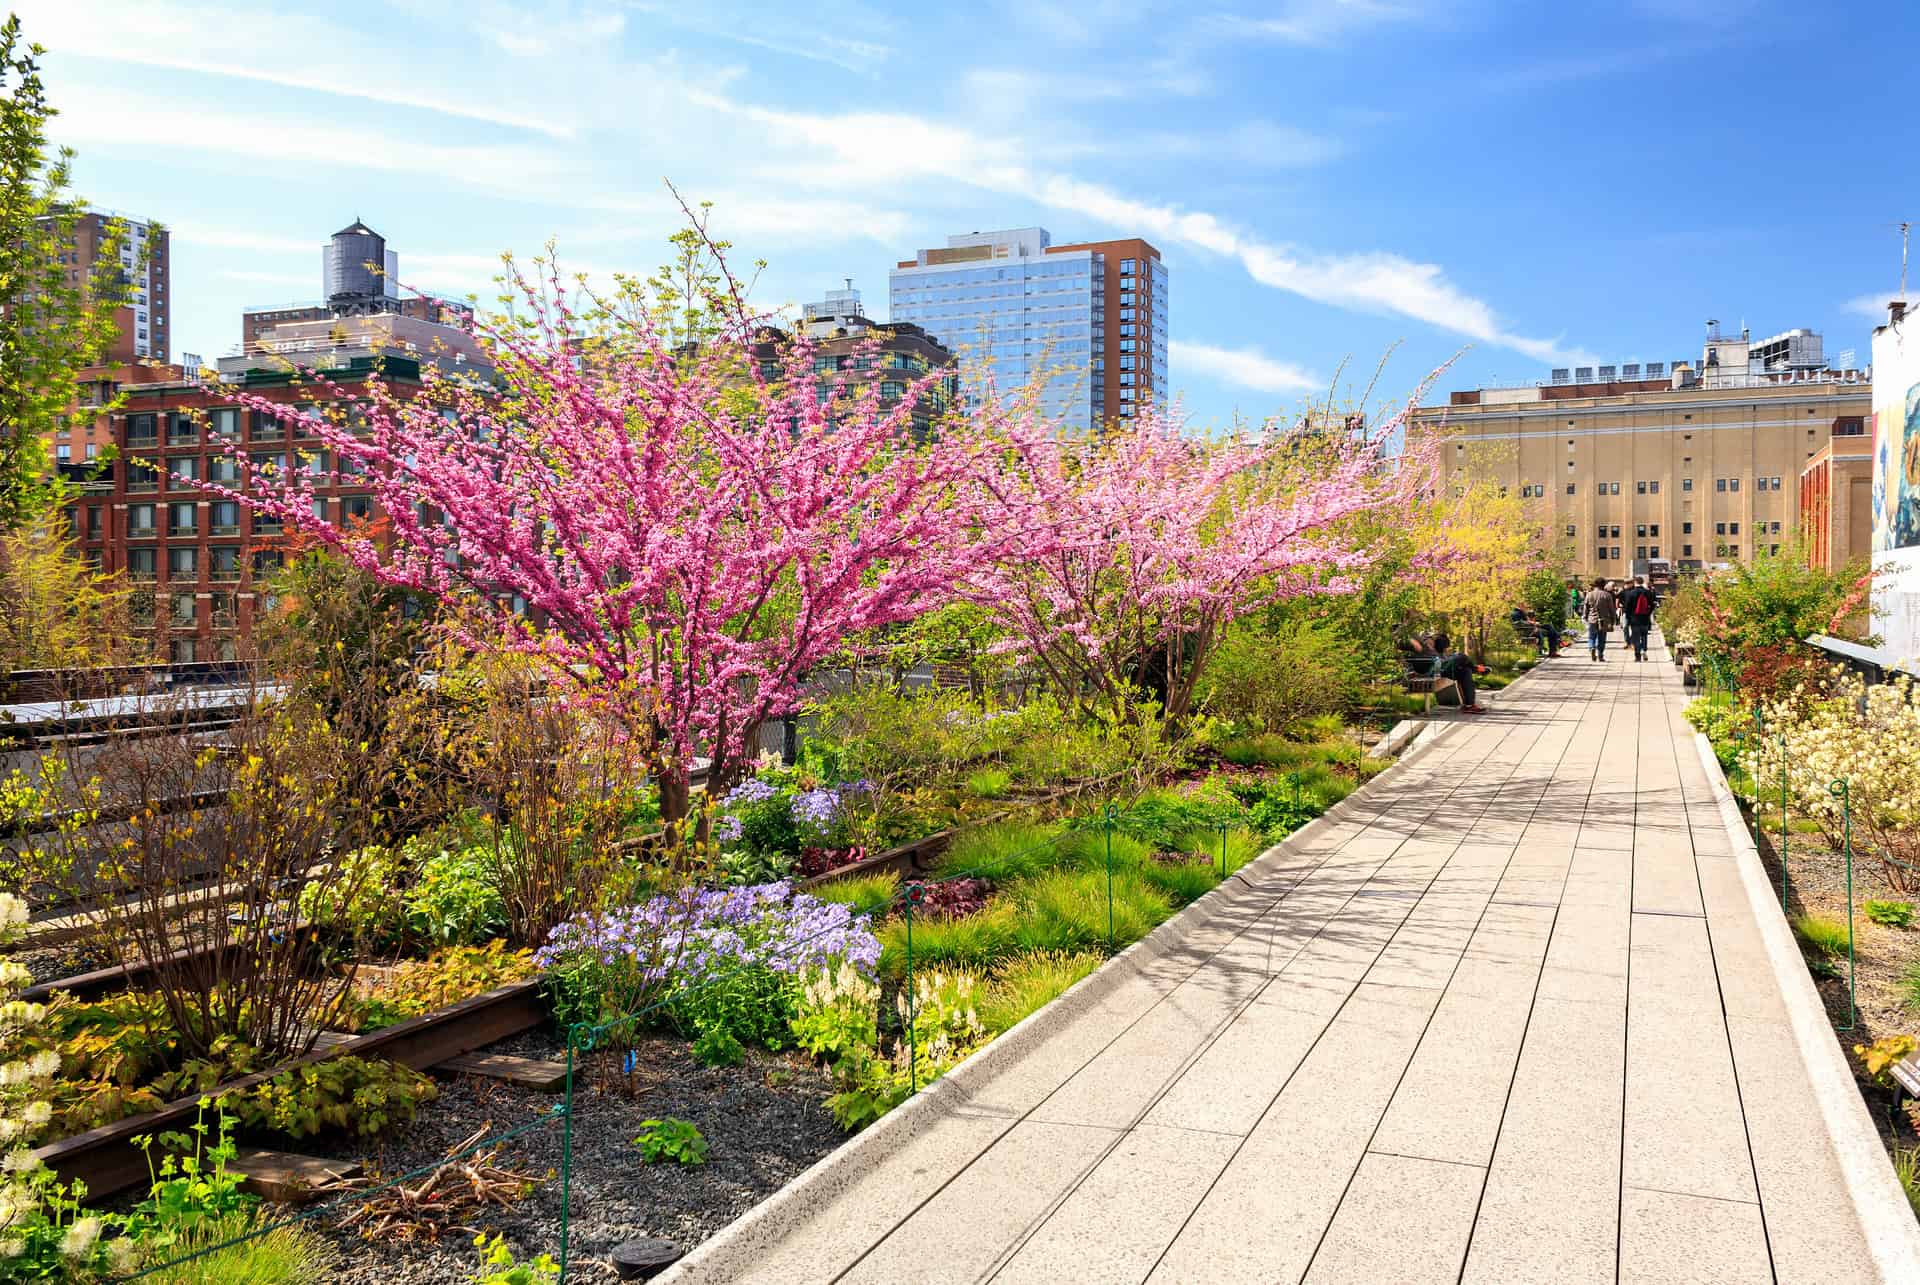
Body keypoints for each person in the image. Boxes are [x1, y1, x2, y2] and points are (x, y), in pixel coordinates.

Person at [1429, 631, 1487, 713]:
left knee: (1466, 671)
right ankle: (1477, 669)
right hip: (1439, 671)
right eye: (1445, 646)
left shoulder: (1437, 649)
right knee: (1461, 656)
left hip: (1444, 669)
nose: (1446, 648)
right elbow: (1436, 664)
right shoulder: (1428, 647)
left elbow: (1443, 658)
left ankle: (1469, 705)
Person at [1618, 575, 1657, 661]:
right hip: (1645, 619)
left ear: (1635, 582)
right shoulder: (1648, 592)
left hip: (1634, 619)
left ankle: (1637, 655)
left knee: (1636, 637)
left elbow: (1627, 607)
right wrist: (1648, 613)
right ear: (1642, 582)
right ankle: (1644, 650)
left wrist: (1628, 617)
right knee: (1644, 636)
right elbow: (1653, 604)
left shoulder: (1631, 593)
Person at [1582, 577, 1618, 661]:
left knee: (1591, 636)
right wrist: (1613, 619)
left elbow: (1586, 607)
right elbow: (1611, 609)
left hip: (1592, 619)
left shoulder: (1589, 594)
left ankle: (1592, 647)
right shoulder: (1607, 595)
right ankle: (1600, 654)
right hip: (1604, 619)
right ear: (1604, 585)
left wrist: (1585, 617)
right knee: (1602, 637)